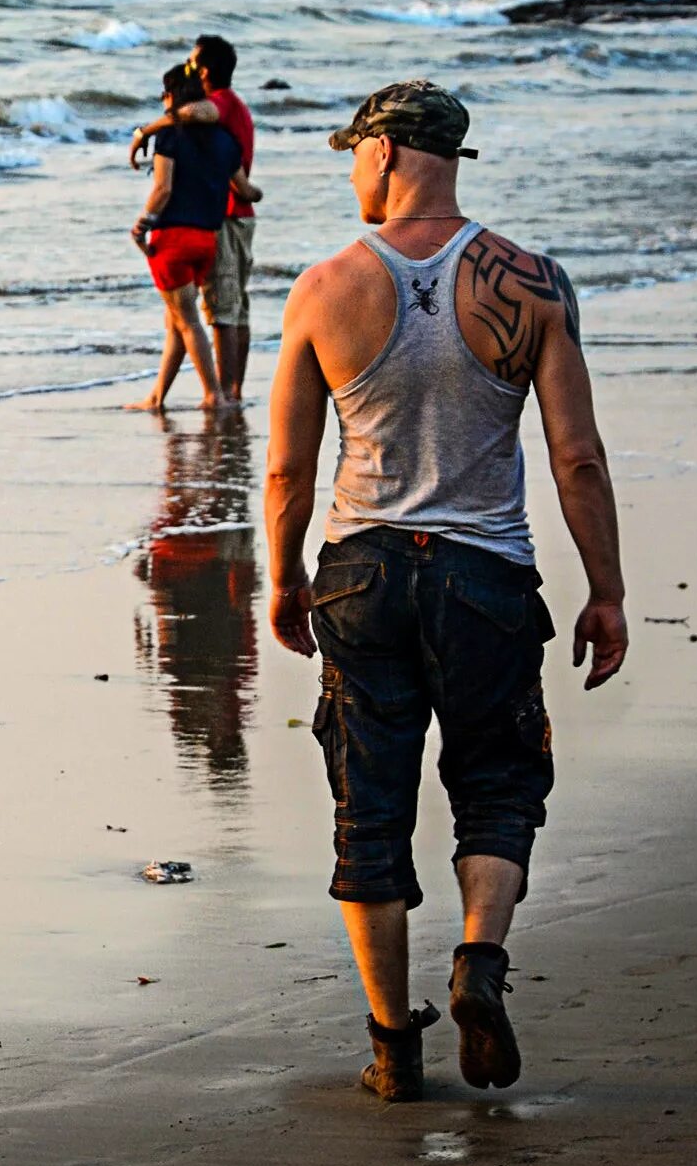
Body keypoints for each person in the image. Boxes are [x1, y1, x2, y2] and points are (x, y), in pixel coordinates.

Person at [262, 80, 628, 1104]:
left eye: (352, 153)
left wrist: (286, 579)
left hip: (363, 575)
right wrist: (607, 590)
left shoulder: (327, 286)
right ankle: (479, 962)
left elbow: (288, 468)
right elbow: (579, 458)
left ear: (384, 153)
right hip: (487, 577)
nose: (349, 171)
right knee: (498, 786)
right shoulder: (535, 282)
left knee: (368, 816)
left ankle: (392, 1047)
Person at [129, 36, 258, 399]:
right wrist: (254, 192)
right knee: (208, 312)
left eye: (190, 64)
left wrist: (146, 131)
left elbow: (165, 184)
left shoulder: (218, 105)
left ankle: (223, 393)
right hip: (219, 219)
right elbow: (244, 184)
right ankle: (183, 394)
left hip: (221, 221)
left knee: (220, 311)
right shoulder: (223, 123)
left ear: (203, 71)